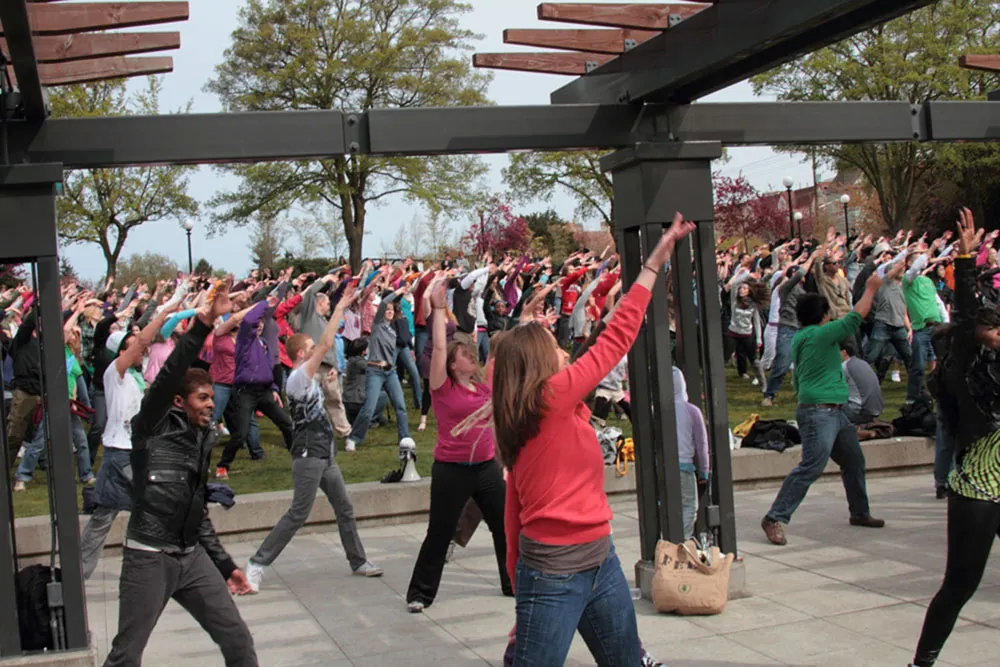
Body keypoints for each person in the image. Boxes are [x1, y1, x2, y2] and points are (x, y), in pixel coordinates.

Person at [492, 212, 694, 666]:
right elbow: (615, 338)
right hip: (554, 574)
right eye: (554, 344)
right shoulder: (550, 398)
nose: (563, 346)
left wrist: (521, 593)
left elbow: (513, 514)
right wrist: (655, 262)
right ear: (540, 364)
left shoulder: (540, 408)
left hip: (600, 562)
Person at [102, 283, 257, 667]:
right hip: (149, 557)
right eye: (202, 398)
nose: (210, 405)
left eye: (211, 397)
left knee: (238, 640)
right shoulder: (151, 426)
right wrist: (204, 322)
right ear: (178, 401)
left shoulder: (202, 438)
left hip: (191, 557)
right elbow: (171, 372)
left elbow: (196, 510)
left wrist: (225, 566)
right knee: (126, 655)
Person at [245, 286, 382, 592]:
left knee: (344, 508)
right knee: (298, 513)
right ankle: (256, 564)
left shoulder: (306, 379)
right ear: (302, 354)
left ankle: (358, 560)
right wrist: (339, 307)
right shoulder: (296, 378)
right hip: (308, 455)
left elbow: (315, 395)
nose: (315, 349)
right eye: (310, 347)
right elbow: (326, 343)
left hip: (324, 452)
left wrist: (326, 379)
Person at [911, 209, 1000, 666]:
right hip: (979, 490)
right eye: (993, 328)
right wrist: (964, 260)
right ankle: (922, 662)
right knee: (960, 584)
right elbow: (965, 319)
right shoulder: (967, 370)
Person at [406, 276, 511, 612]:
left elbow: (499, 360)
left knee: (505, 527)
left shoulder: (482, 388)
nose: (471, 357)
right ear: (454, 364)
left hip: (486, 468)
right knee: (440, 531)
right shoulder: (442, 387)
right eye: (465, 354)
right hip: (451, 470)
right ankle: (420, 594)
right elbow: (439, 348)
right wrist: (438, 310)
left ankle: (512, 582)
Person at [761, 265, 886, 547]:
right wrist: (870, 288)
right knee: (811, 466)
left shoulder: (802, 337)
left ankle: (860, 512)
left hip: (834, 412)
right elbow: (856, 317)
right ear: (824, 316)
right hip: (820, 412)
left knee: (853, 461)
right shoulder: (821, 335)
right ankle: (774, 516)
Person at [79, 303, 178, 579]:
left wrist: (178, 309)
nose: (141, 351)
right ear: (121, 352)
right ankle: (170, 562)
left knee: (104, 516)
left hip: (127, 452)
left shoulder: (136, 374)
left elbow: (155, 338)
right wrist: (163, 311)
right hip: (120, 455)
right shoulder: (115, 372)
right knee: (156, 504)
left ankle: (78, 573)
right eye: (132, 347)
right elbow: (144, 340)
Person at [673, 366, 710, 539]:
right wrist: (704, 470)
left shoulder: (655, 410)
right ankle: (682, 541)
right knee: (689, 506)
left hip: (662, 467)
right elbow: (701, 444)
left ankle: (667, 537)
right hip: (684, 467)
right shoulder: (692, 411)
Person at [840, 339, 884, 426]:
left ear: (844, 352)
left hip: (860, 412)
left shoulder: (844, 367)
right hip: (875, 410)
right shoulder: (863, 363)